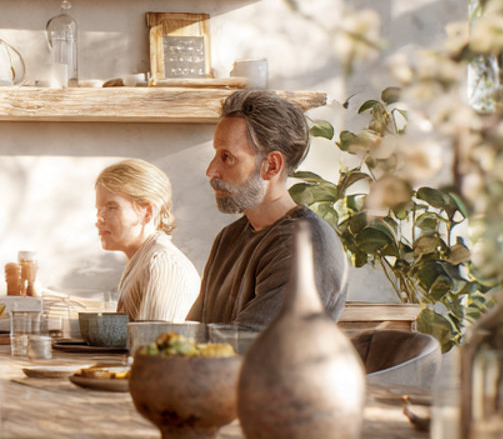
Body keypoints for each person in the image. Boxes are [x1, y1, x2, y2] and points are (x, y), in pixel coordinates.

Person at [189, 89, 347, 328]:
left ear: (271, 166)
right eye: (215, 155)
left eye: (227, 157)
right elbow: (192, 334)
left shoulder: (306, 244)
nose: (211, 171)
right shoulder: (228, 238)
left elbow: (250, 345)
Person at [96, 160, 201, 322]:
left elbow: (154, 344)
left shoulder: (162, 264)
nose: (99, 219)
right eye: (98, 209)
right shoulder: (143, 260)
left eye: (112, 207)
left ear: (148, 212)